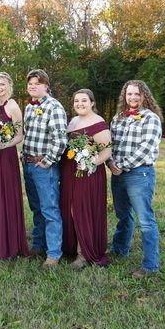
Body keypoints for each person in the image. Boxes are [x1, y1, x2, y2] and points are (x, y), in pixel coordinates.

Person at [107, 80, 163, 278]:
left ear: (144, 96)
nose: (132, 98)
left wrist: (120, 165)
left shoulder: (151, 118)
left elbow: (146, 148)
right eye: (129, 94)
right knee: (123, 216)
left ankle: (150, 266)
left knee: (146, 220)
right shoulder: (118, 118)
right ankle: (120, 249)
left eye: (137, 94)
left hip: (140, 174)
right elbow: (110, 145)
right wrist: (110, 163)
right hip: (118, 174)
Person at [60, 89, 112, 269]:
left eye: (84, 100)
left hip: (88, 173)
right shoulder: (72, 121)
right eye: (76, 101)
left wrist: (92, 163)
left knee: (81, 210)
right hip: (69, 172)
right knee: (68, 209)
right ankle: (72, 247)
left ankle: (84, 253)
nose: (80, 104)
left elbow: (106, 151)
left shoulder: (99, 123)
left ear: (92, 103)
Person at [22, 69, 67, 268]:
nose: (33, 86)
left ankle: (54, 254)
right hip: (28, 163)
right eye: (30, 83)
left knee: (49, 210)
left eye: (37, 83)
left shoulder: (54, 107)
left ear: (46, 86)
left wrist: (47, 161)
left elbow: (60, 139)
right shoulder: (29, 108)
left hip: (43, 166)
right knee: (36, 208)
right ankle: (38, 245)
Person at [0, 72, 29, 260]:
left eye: (1, 84)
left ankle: (11, 244)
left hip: (7, 155)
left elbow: (20, 135)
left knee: (8, 195)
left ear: (9, 85)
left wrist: (5, 144)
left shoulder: (13, 105)